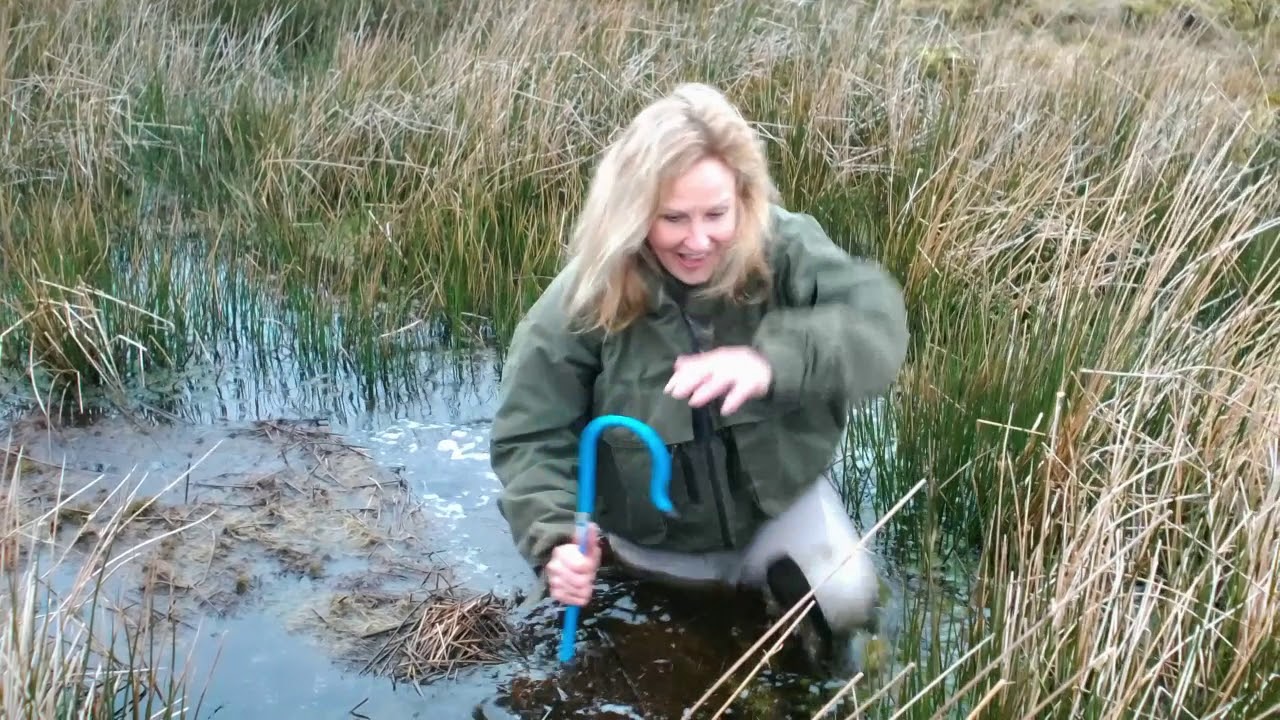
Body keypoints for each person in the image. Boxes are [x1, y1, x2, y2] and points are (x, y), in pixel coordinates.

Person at [489, 82, 909, 671]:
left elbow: (879, 323)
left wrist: (771, 362)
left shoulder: (786, 248)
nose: (698, 240)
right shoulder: (586, 295)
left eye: (717, 214)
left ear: (744, 196)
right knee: (673, 664)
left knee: (846, 601)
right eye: (672, 219)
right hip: (654, 549)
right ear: (634, 212)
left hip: (779, 513)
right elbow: (529, 435)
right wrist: (555, 540)